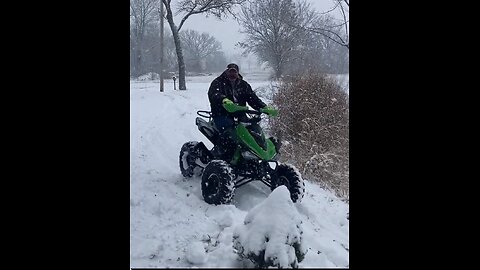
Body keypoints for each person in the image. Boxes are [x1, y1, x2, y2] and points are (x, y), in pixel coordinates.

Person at [207, 63, 278, 163]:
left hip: (240, 114)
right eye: (230, 71)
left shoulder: (243, 85)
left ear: (238, 73)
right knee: (229, 133)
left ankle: (254, 154)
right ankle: (220, 155)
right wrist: (223, 100)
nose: (232, 74)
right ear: (226, 71)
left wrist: (264, 107)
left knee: (252, 129)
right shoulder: (218, 83)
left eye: (234, 71)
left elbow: (253, 99)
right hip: (221, 114)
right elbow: (214, 94)